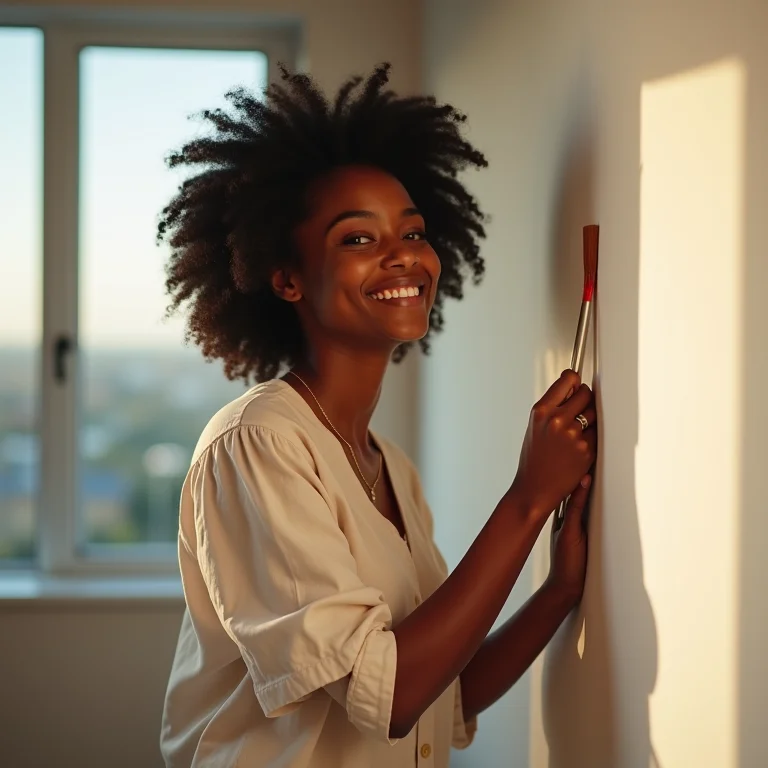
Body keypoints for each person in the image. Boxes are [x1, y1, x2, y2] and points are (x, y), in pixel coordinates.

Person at [158, 63, 597, 768]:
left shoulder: (389, 466)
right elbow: (389, 695)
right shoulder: (258, 444)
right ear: (287, 277)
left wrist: (559, 590)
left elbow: (440, 691)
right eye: (357, 239)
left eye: (414, 232)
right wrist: (528, 498)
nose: (403, 256)